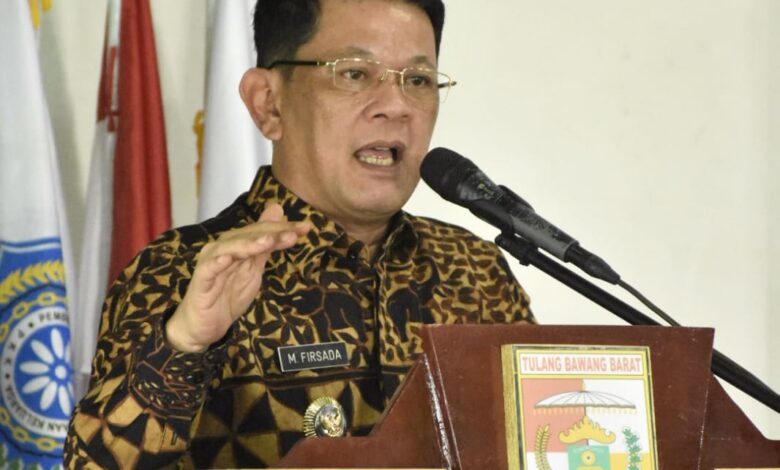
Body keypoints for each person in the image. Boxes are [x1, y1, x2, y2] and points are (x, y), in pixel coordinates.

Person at [65, 0, 535, 467]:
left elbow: (538, 444)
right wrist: (184, 344)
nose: (396, 106)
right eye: (354, 73)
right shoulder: (181, 272)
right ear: (268, 103)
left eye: (418, 80)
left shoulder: (475, 271)